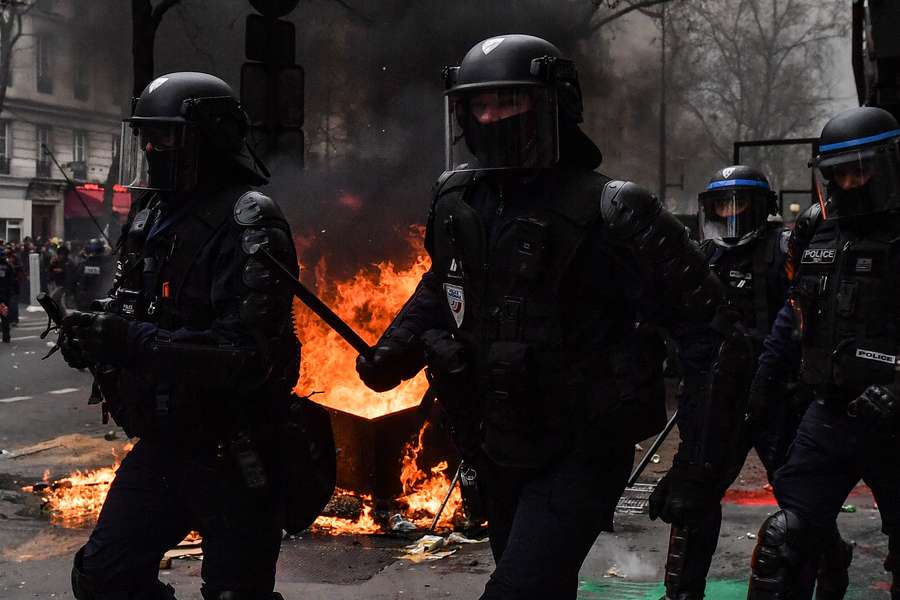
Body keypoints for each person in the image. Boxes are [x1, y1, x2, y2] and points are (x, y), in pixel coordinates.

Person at [355, 35, 731, 600]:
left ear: (554, 103)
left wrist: (700, 467)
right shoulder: (459, 198)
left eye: (509, 102)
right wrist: (397, 349)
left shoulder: (615, 210)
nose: (491, 117)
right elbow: (444, 284)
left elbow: (713, 336)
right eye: (480, 104)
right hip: (495, 440)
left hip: (580, 447)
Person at [58, 72, 301, 600]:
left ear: (208, 139)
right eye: (145, 135)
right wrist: (93, 335)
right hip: (168, 445)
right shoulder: (153, 216)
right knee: (104, 578)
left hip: (239, 451)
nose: (150, 148)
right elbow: (136, 307)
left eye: (165, 136)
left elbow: (247, 354)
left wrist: (131, 340)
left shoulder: (251, 221)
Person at [654, 167, 852, 599]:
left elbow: (806, 315)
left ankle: (832, 558)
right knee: (698, 495)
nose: (730, 213)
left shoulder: (782, 251)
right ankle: (682, 593)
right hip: (719, 397)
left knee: (796, 496)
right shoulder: (705, 256)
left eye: (738, 203)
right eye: (722, 204)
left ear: (761, 208)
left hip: (777, 396)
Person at [745, 106, 900, 599]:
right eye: (841, 174)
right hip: (829, 415)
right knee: (783, 542)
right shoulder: (818, 232)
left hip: (895, 425)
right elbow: (793, 316)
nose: (853, 183)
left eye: (863, 169)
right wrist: (760, 388)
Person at [72, 238, 115, 311]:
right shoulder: (107, 265)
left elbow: (73, 282)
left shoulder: (82, 265)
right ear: (102, 250)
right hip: (101, 301)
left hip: (84, 301)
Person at [0, 249, 13, 342]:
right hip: (5, 294)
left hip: (3, 293)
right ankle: (6, 336)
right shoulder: (8, 266)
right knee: (4, 315)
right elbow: (12, 280)